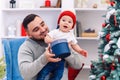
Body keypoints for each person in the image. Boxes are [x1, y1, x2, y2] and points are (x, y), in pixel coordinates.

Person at [18, 14, 83, 80]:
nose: (43, 30)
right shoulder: (26, 47)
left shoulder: (58, 36)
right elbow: (25, 74)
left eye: (42, 24)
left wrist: (64, 49)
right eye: (36, 29)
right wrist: (44, 59)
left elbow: (78, 65)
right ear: (29, 34)